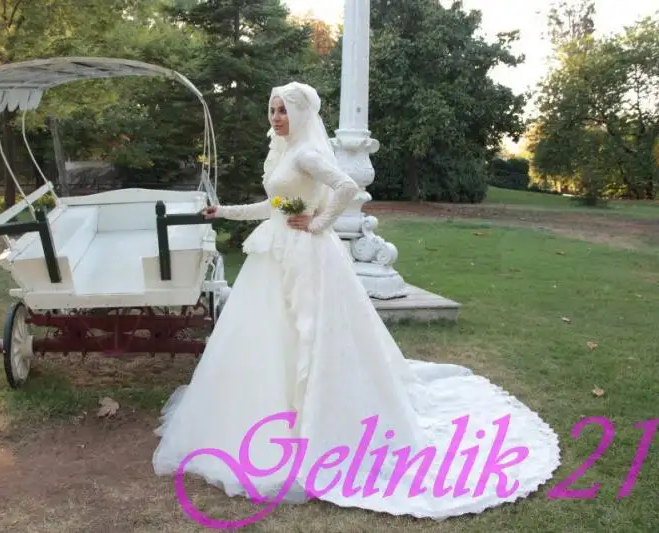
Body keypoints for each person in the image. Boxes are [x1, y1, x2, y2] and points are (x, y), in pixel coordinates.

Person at [152, 82, 560, 522]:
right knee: (270, 334)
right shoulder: (283, 153)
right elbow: (273, 207)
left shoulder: (307, 154)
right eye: (272, 110)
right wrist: (225, 212)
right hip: (275, 254)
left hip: (306, 255)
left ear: (300, 114)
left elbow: (346, 187)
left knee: (311, 331)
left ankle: (317, 420)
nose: (275, 118)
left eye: (283, 111)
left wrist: (319, 222)